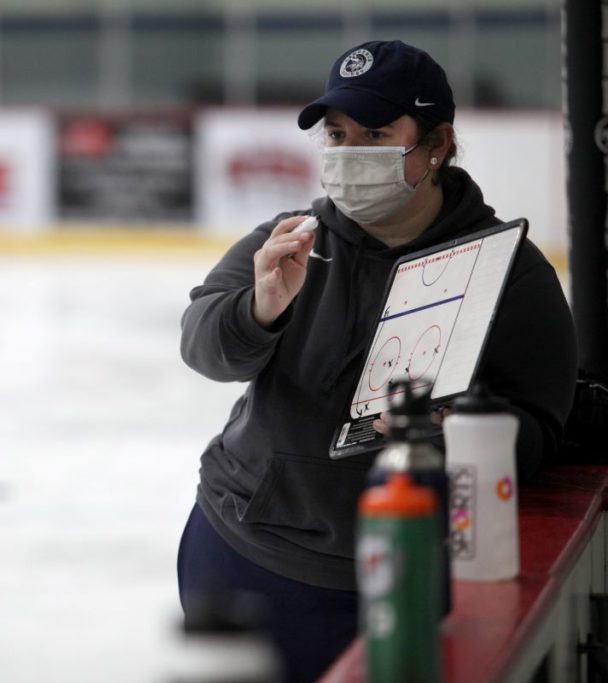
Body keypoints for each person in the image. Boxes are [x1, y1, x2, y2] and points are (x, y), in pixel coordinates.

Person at [177, 40, 577, 682]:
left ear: (436, 144)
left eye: (375, 132)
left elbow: (541, 429)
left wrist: (462, 431)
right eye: (337, 135)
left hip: (405, 572)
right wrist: (259, 308)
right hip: (241, 547)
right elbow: (203, 348)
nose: (349, 152)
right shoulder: (286, 240)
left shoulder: (509, 271)